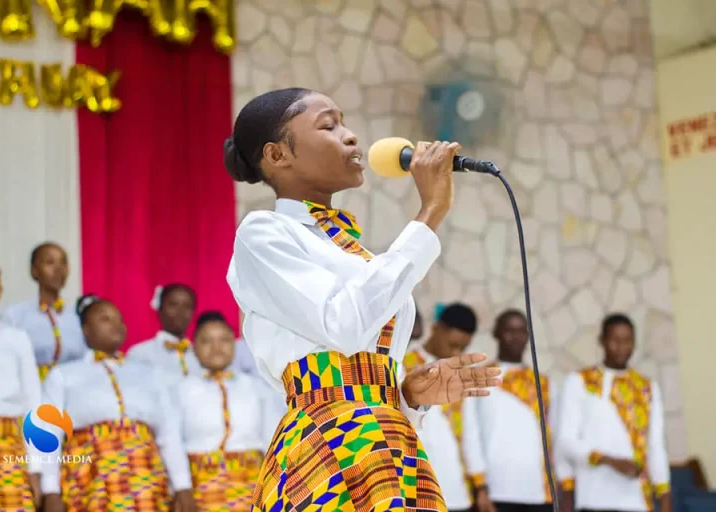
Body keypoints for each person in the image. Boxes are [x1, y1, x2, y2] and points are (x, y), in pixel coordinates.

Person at [224, 87, 502, 511]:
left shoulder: (359, 254)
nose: (350, 136)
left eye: (346, 122)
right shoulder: (263, 234)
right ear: (278, 155)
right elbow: (344, 324)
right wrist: (429, 213)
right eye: (329, 125)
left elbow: (362, 347)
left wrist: (406, 396)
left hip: (388, 437)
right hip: (327, 441)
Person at [41, 295, 195, 512]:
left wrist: (182, 487)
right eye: (105, 319)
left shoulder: (149, 374)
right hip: (91, 478)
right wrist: (50, 491)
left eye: (119, 319)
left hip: (146, 476)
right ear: (86, 329)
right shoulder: (63, 375)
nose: (116, 324)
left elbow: (169, 433)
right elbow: (48, 435)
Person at [556, 314, 671, 512]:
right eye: (615, 340)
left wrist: (665, 498)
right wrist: (610, 461)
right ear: (602, 340)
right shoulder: (580, 382)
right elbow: (566, 441)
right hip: (593, 499)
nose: (621, 347)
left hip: (637, 501)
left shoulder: (647, 387)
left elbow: (655, 447)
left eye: (627, 340)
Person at [174, 311, 279, 511]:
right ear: (193, 347)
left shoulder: (256, 388)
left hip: (251, 481)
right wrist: (182, 489)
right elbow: (173, 443)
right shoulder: (180, 390)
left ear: (235, 345)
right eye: (207, 341)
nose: (216, 348)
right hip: (200, 485)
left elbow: (271, 440)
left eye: (224, 340)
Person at [464, 309, 561, 512]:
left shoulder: (543, 382)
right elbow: (470, 435)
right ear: (496, 333)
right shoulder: (480, 377)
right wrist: (479, 486)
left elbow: (554, 437)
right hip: (496, 490)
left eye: (521, 331)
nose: (516, 337)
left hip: (540, 492)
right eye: (509, 330)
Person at [402, 303, 491, 512]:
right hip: (415, 489)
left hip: (458, 493)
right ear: (436, 329)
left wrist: (480, 487)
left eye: (462, 348)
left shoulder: (459, 374)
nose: (456, 352)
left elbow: (470, 434)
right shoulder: (403, 364)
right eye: (452, 345)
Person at [0, 257, 42, 511]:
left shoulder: (18, 338)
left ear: (1, 288)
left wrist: (36, 467)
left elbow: (33, 402)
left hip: (11, 445)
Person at [1, 242, 87, 380]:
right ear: (34, 271)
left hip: (72, 390)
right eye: (50, 262)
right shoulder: (14, 316)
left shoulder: (77, 316)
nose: (58, 269)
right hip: (31, 390)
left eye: (63, 262)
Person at [127, 284, 203, 386]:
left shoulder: (200, 355)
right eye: (173, 305)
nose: (180, 312)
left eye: (187, 306)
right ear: (160, 310)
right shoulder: (140, 353)